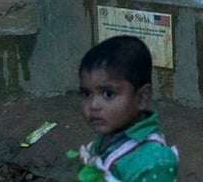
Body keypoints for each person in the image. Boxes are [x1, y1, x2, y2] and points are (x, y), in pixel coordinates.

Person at [70, 35, 178, 182]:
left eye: (108, 94)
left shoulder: (154, 163)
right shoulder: (109, 134)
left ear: (142, 98)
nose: (94, 105)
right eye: (87, 94)